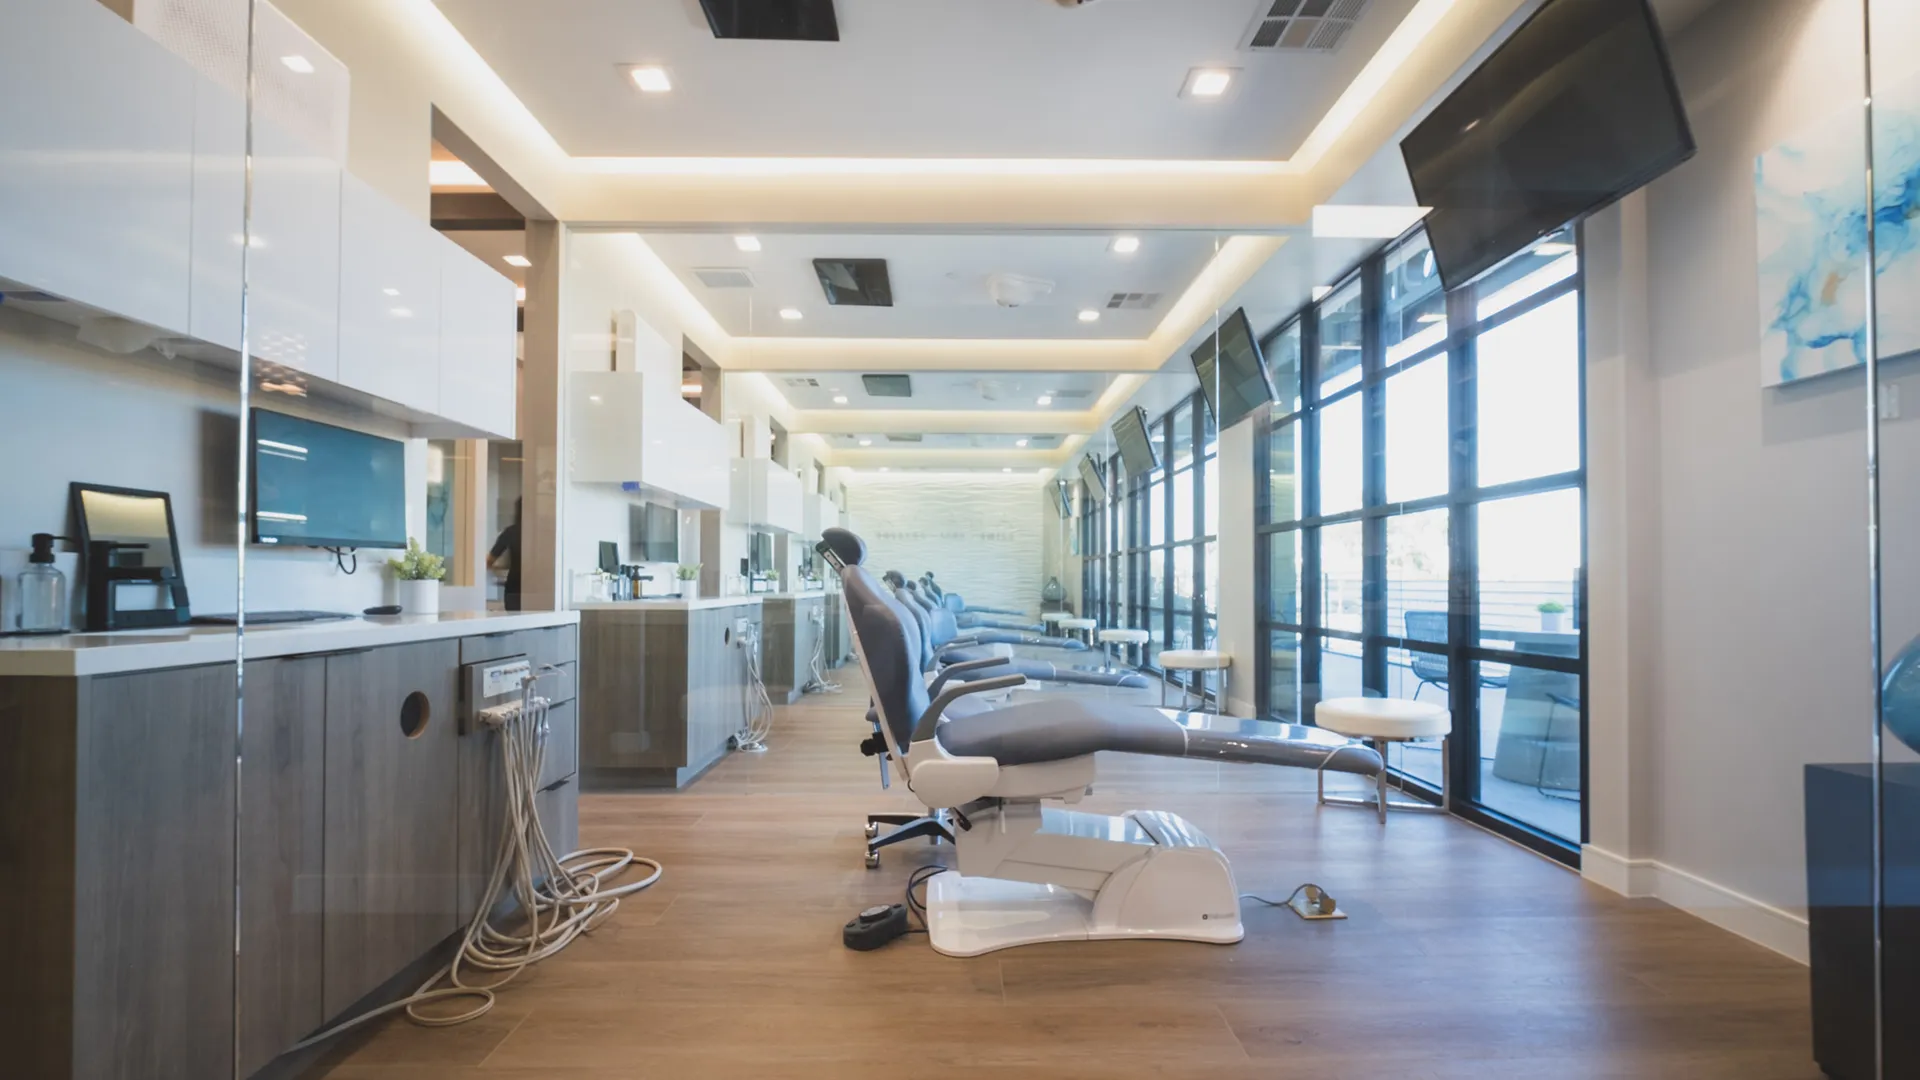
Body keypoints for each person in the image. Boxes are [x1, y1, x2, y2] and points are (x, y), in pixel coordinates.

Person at [487, 497, 522, 611]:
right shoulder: (541, 531)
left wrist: (500, 570)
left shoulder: (511, 532)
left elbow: (489, 560)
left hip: (514, 587)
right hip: (538, 590)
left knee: (514, 623)